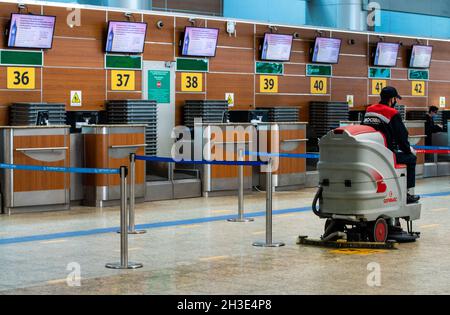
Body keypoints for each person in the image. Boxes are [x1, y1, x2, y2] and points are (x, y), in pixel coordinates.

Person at [362, 86, 420, 204]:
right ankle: (406, 193)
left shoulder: (369, 110)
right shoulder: (392, 113)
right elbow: (401, 137)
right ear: (392, 99)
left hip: (368, 153)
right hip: (385, 154)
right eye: (395, 99)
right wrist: (408, 150)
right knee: (411, 158)